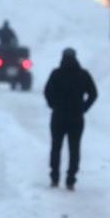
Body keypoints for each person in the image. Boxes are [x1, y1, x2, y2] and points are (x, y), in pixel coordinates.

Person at [42, 48, 97, 190]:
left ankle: (54, 178)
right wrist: (84, 107)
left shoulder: (56, 73)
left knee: (56, 147)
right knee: (74, 149)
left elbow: (47, 92)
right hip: (76, 118)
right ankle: (71, 180)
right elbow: (93, 93)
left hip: (58, 117)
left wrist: (53, 105)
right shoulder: (83, 74)